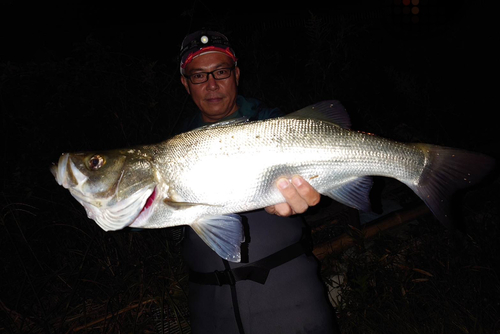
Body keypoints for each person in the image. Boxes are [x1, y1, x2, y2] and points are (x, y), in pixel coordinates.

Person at [177, 29, 340, 334]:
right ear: (186, 84)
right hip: (210, 312)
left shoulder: (276, 124)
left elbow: (324, 186)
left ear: (236, 75)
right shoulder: (175, 146)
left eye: (221, 72)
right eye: (199, 76)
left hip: (292, 304)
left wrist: (312, 197)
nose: (211, 84)